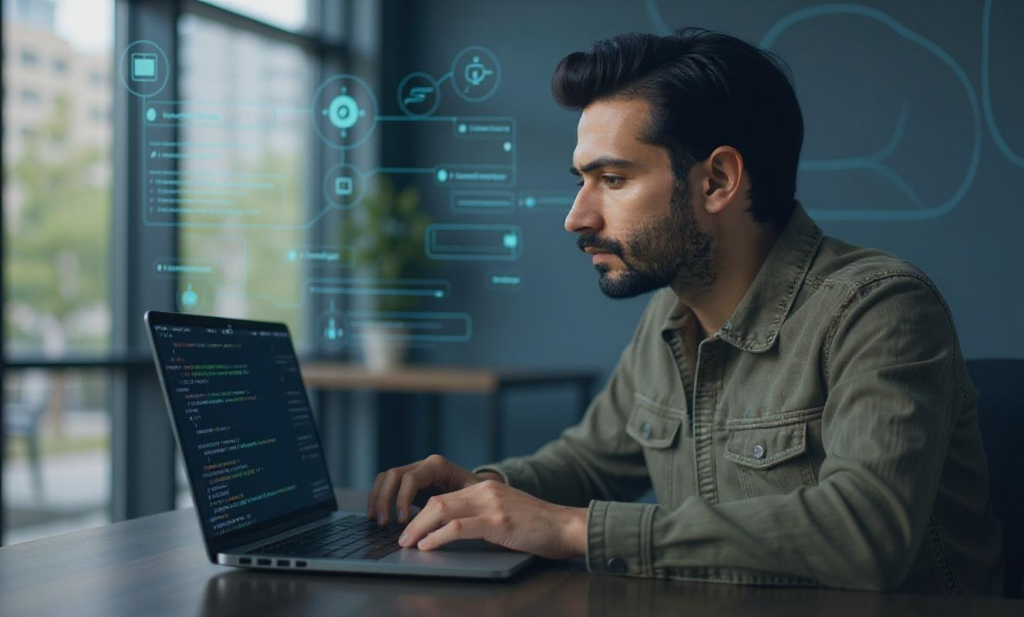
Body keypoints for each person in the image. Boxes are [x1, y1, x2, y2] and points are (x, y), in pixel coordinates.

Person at [366, 28, 1003, 594]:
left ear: (718, 181)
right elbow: (589, 461)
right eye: (581, 180)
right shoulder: (671, 315)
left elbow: (866, 536)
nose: (576, 218)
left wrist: (572, 530)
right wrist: (475, 492)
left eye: (612, 180)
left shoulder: (880, 307)